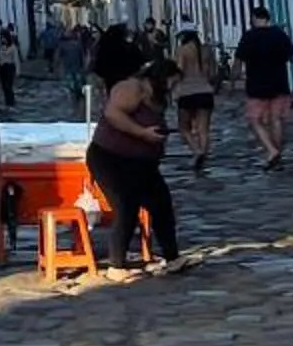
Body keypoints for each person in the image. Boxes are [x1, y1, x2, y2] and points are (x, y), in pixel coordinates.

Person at [86, 56, 182, 268]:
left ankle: (173, 258)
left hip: (142, 163)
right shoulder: (131, 88)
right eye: (171, 82)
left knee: (162, 205)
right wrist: (142, 133)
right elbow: (113, 114)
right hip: (111, 158)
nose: (173, 88)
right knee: (126, 207)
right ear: (160, 78)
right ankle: (116, 265)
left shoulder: (157, 96)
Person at [234, 6, 293, 171]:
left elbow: (238, 61)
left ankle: (271, 150)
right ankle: (277, 153)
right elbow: (292, 58)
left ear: (254, 18)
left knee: (255, 121)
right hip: (280, 83)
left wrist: (233, 80)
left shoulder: (248, 37)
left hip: (257, 86)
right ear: (268, 18)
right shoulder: (280, 35)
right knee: (276, 120)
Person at [173, 28, 216, 173]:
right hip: (205, 91)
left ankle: (197, 151)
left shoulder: (182, 50)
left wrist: (173, 88)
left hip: (187, 92)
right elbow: (212, 72)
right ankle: (203, 153)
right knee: (203, 129)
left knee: (184, 128)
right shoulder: (207, 50)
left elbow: (179, 70)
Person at [0, 24, 24, 109]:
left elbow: (16, 59)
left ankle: (11, 101)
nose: (3, 39)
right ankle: (7, 101)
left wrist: (18, 71)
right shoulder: (0, 47)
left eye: (4, 37)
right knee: (4, 86)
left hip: (10, 67)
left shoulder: (13, 47)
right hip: (2, 68)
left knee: (9, 85)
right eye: (2, 37)